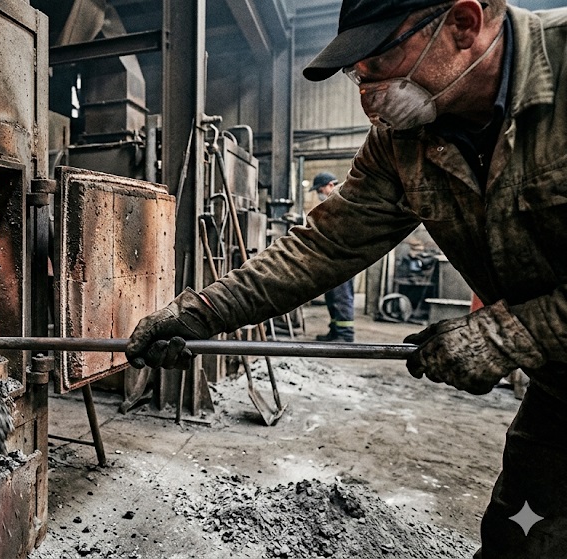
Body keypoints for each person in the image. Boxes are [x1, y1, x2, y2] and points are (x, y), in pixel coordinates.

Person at [126, 1, 567, 557]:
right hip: (559, 392)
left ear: (463, 24)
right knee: (519, 540)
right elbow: (323, 246)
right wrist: (199, 313)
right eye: (355, 76)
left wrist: (511, 335)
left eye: (379, 62)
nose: (367, 94)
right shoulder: (402, 143)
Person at [309, 172, 356, 342]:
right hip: (333, 256)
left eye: (320, 190)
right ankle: (336, 331)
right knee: (332, 296)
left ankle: (345, 335)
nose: (319, 194)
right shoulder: (334, 202)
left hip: (343, 257)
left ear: (330, 185)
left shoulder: (344, 199)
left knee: (341, 296)